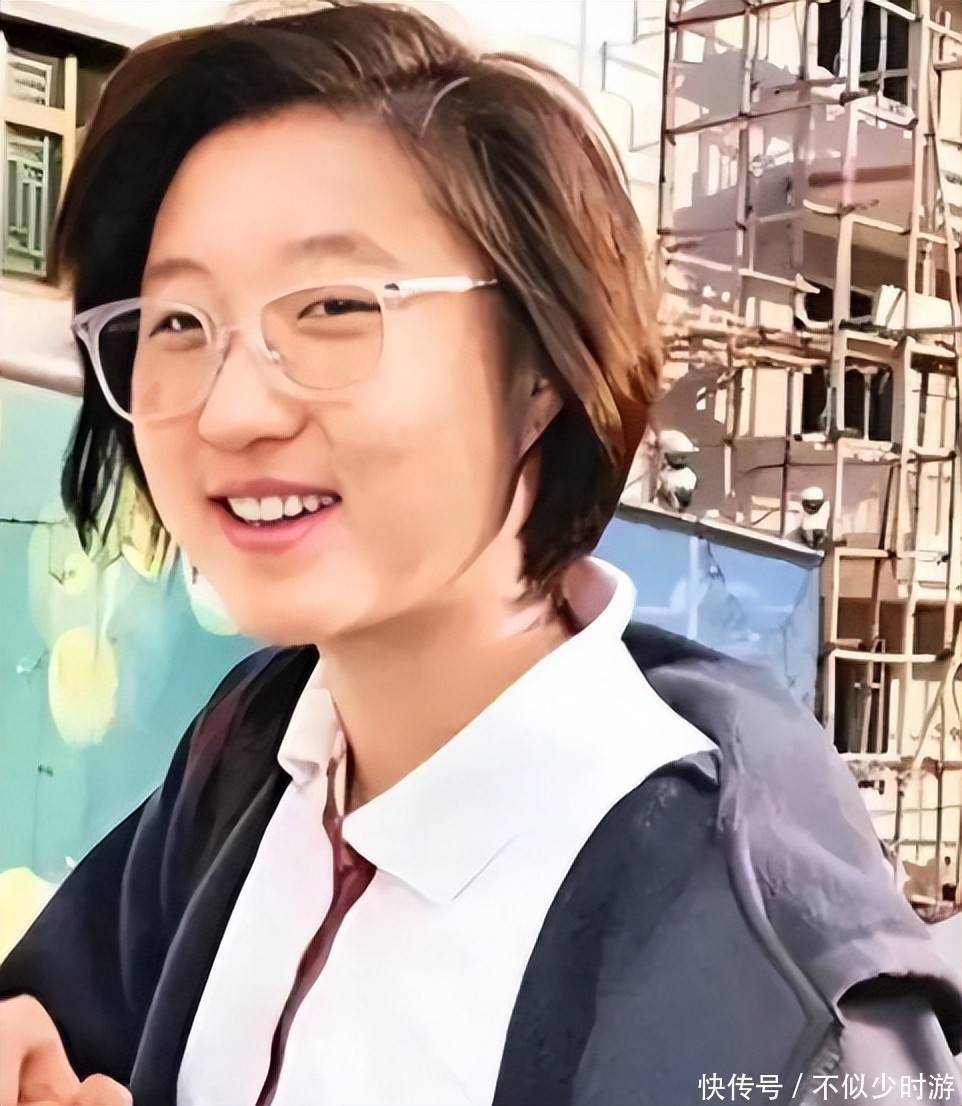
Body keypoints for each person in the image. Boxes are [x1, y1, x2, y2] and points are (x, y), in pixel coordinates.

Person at [1, 4, 960, 1105]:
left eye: (332, 308)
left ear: (540, 368)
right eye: (177, 322)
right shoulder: (255, 758)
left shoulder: (763, 996)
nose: (231, 411)